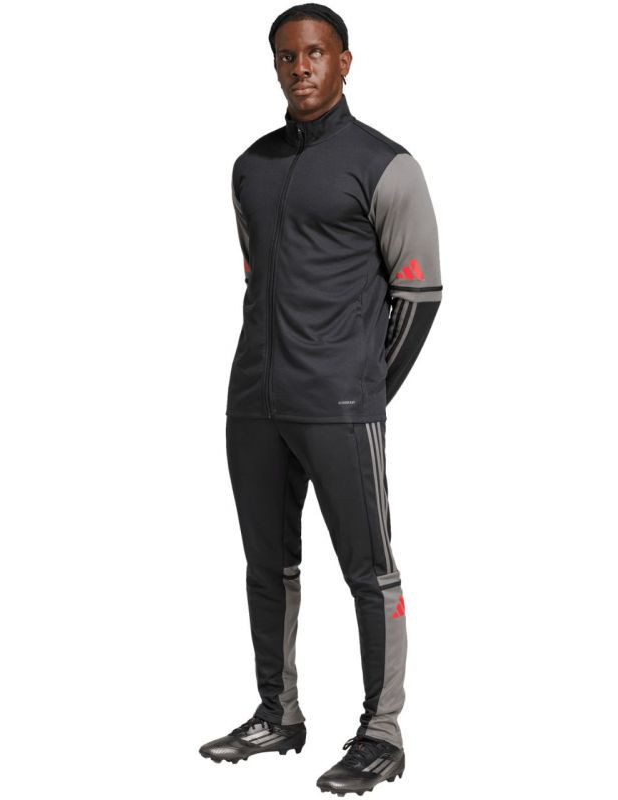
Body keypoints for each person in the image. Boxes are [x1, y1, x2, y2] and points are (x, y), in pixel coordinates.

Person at [198, 4, 442, 795]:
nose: (299, 67)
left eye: (313, 53)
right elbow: (255, 277)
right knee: (266, 566)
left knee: (369, 571)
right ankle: (278, 712)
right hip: (253, 403)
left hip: (338, 408)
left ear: (343, 61)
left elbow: (421, 294)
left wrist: (361, 390)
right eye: (285, 56)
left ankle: (382, 734)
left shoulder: (385, 165)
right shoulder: (251, 166)